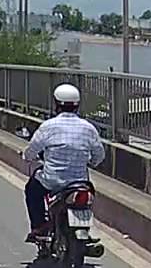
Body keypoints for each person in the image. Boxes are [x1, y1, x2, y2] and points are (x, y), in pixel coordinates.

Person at [22, 84, 106, 243]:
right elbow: (99, 154)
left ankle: (39, 227)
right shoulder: (88, 128)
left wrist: (27, 157)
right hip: (80, 182)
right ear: (77, 105)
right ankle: (85, 229)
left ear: (56, 104)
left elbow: (32, 150)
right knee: (87, 197)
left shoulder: (48, 126)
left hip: (52, 181)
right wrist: (92, 162)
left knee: (32, 190)